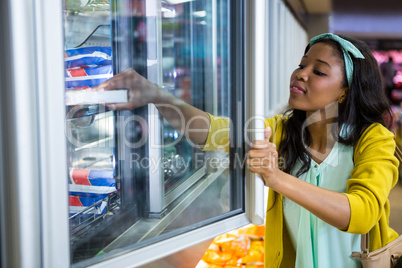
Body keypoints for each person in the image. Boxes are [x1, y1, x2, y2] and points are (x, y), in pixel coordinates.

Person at [93, 33, 399, 267]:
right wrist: (155, 95)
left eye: (318, 71)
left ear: (345, 90)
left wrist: (276, 178)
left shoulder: (373, 139)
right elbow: (212, 132)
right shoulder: (280, 130)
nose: (301, 74)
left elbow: (361, 213)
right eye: (301, 65)